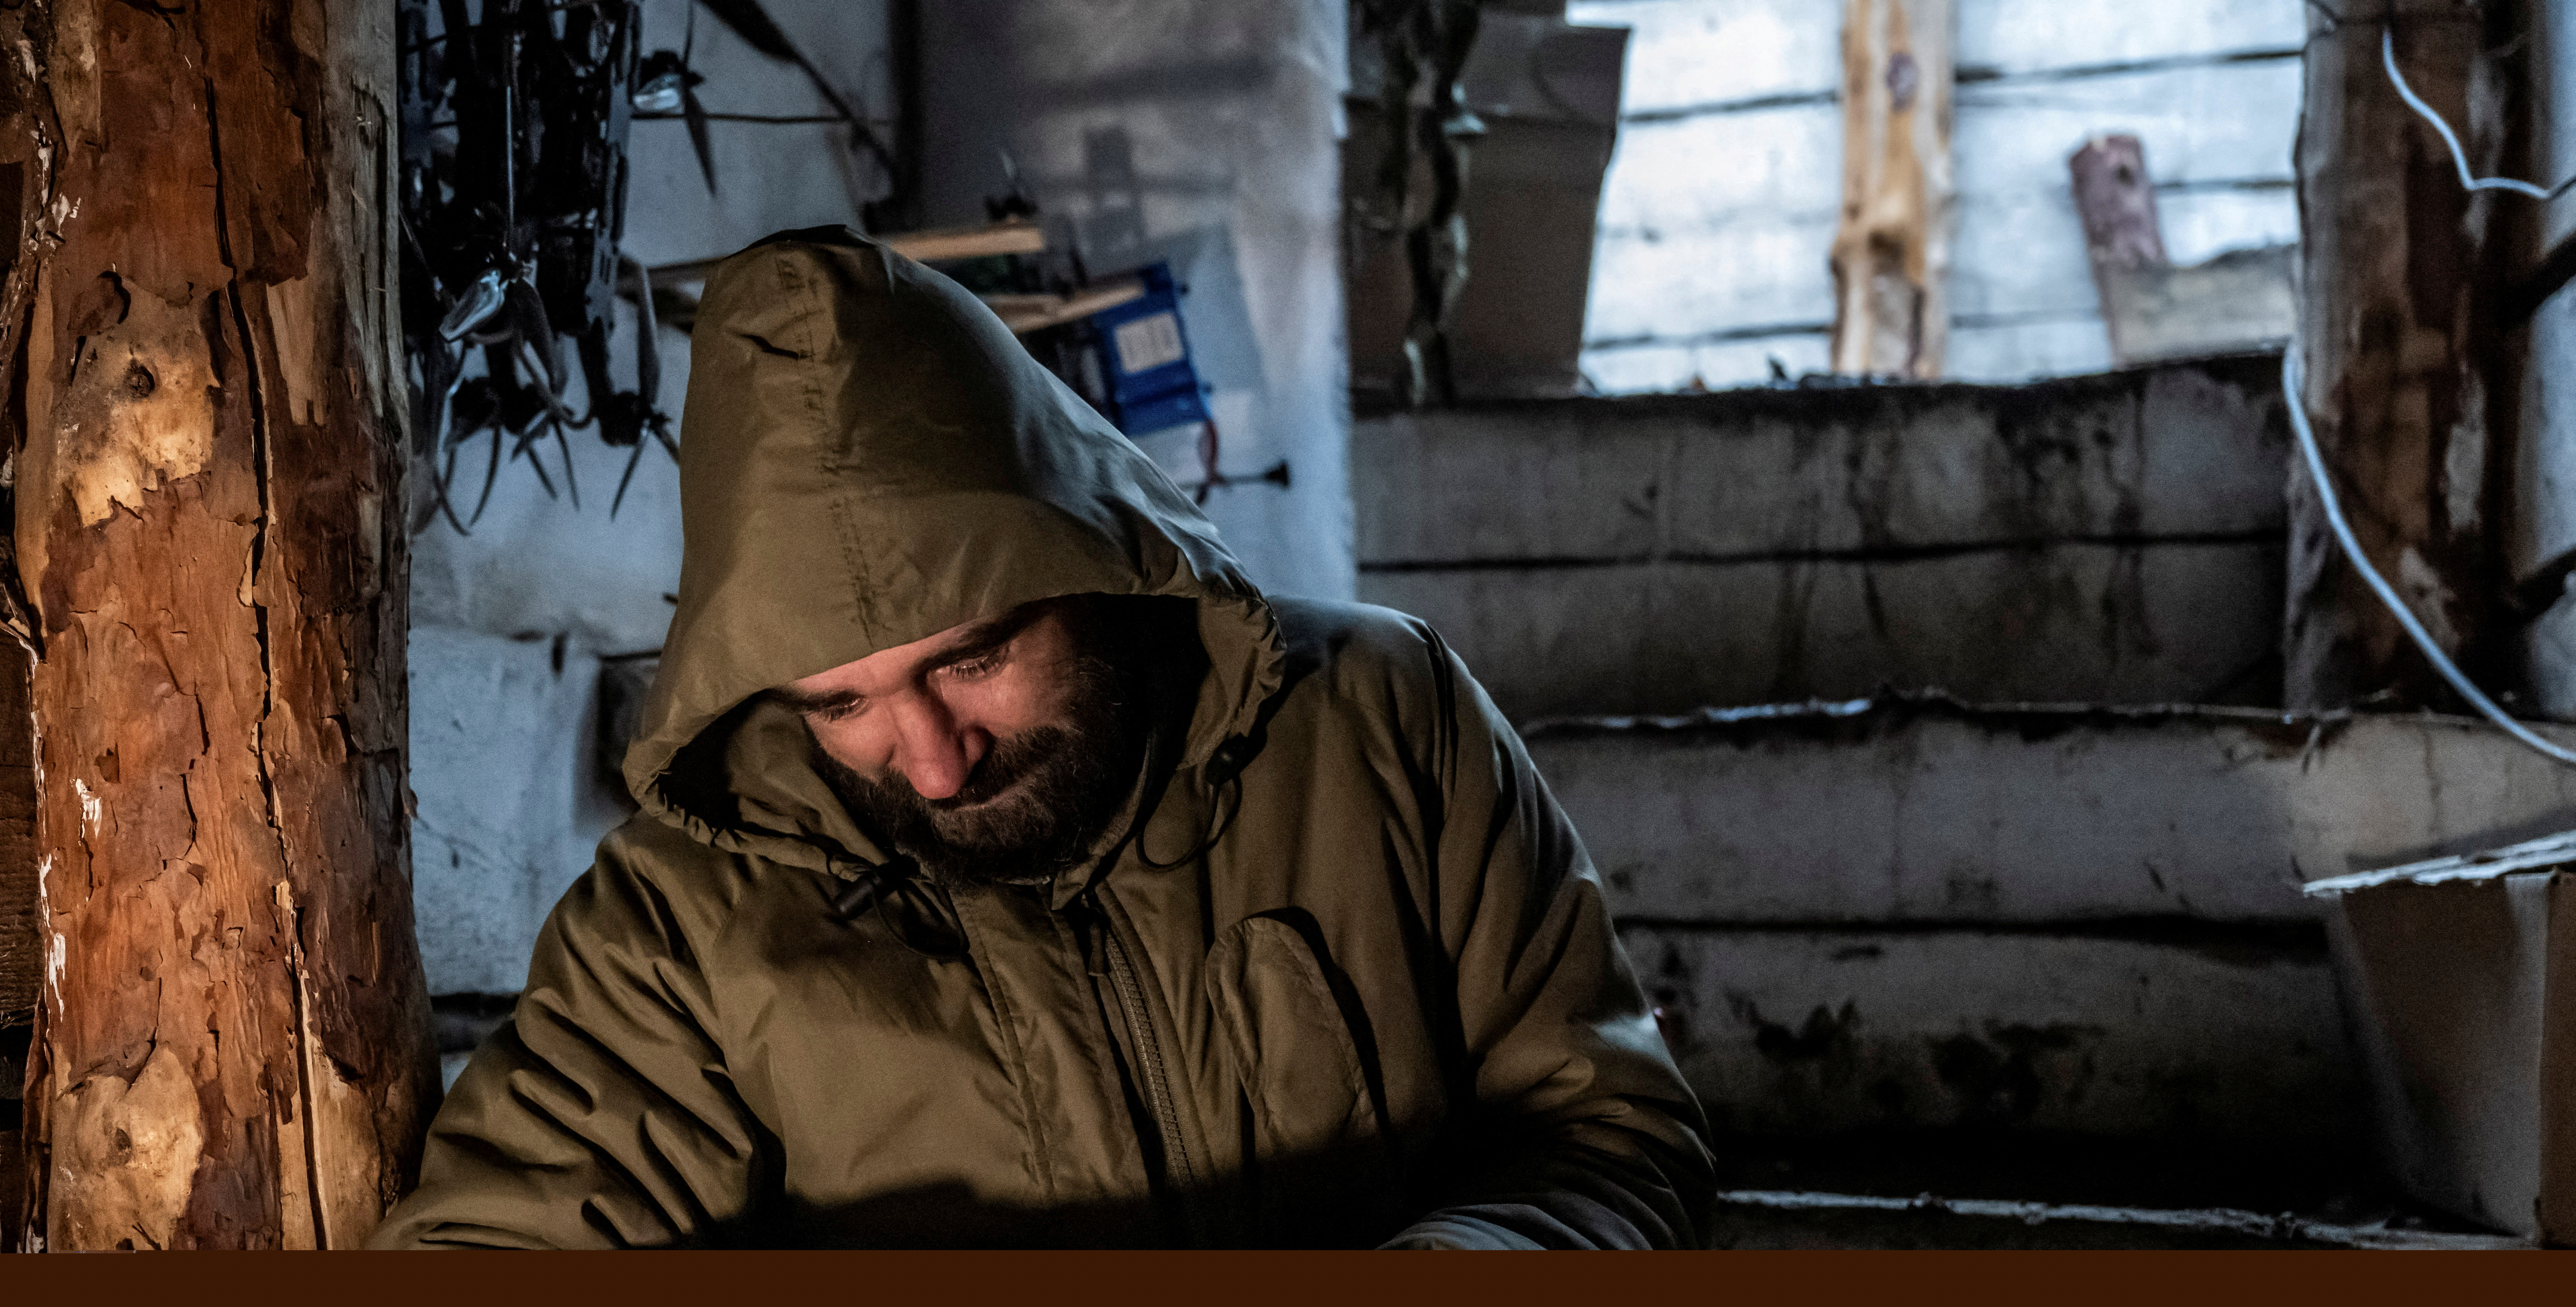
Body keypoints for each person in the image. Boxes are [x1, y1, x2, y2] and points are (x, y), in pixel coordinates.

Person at [370, 229, 1710, 1249]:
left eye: (973, 660)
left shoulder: (1379, 720)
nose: (933, 763)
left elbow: (1612, 1135)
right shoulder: (682, 927)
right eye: (841, 707)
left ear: (1090, 565)